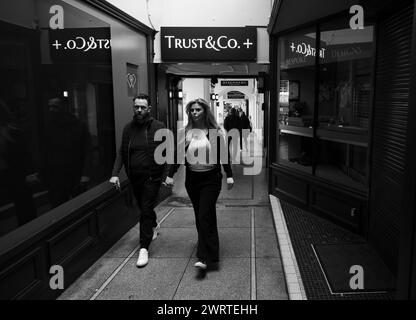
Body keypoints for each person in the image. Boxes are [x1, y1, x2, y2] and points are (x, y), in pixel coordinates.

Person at [165, 98, 235, 273]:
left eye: (198, 110)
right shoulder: (186, 132)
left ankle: (203, 256)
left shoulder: (214, 132)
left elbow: (223, 154)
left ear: (205, 112)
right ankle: (212, 253)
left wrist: (230, 175)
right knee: (202, 215)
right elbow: (178, 155)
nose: (194, 113)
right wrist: (170, 174)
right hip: (193, 180)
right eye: (192, 110)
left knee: (204, 214)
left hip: (211, 179)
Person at [109, 94, 167, 268]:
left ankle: (144, 248)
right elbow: (121, 152)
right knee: (144, 207)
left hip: (152, 177)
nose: (139, 110)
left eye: (143, 107)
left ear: (149, 108)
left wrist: (166, 176)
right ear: (133, 108)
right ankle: (154, 224)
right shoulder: (128, 129)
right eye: (136, 107)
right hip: (134, 177)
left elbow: (168, 153)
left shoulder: (159, 127)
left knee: (145, 209)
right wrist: (115, 173)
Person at [41, 97, 91, 208]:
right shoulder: (50, 127)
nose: (51, 110)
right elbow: (46, 152)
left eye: (55, 107)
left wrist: (85, 173)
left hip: (75, 173)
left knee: (79, 206)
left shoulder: (78, 125)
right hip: (57, 175)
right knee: (59, 207)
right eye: (50, 107)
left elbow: (87, 150)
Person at [0, 98, 37, 227]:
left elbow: (25, 155)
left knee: (25, 206)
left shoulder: (13, 133)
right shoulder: (12, 133)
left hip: (17, 176)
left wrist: (30, 173)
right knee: (23, 205)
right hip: (13, 176)